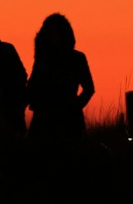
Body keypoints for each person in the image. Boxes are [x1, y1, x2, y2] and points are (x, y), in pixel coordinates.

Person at [26, 14, 95, 143]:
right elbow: (32, 85)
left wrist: (74, 107)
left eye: (58, 33)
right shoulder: (43, 59)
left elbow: (89, 88)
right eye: (51, 33)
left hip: (68, 120)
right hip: (44, 118)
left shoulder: (77, 58)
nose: (54, 37)